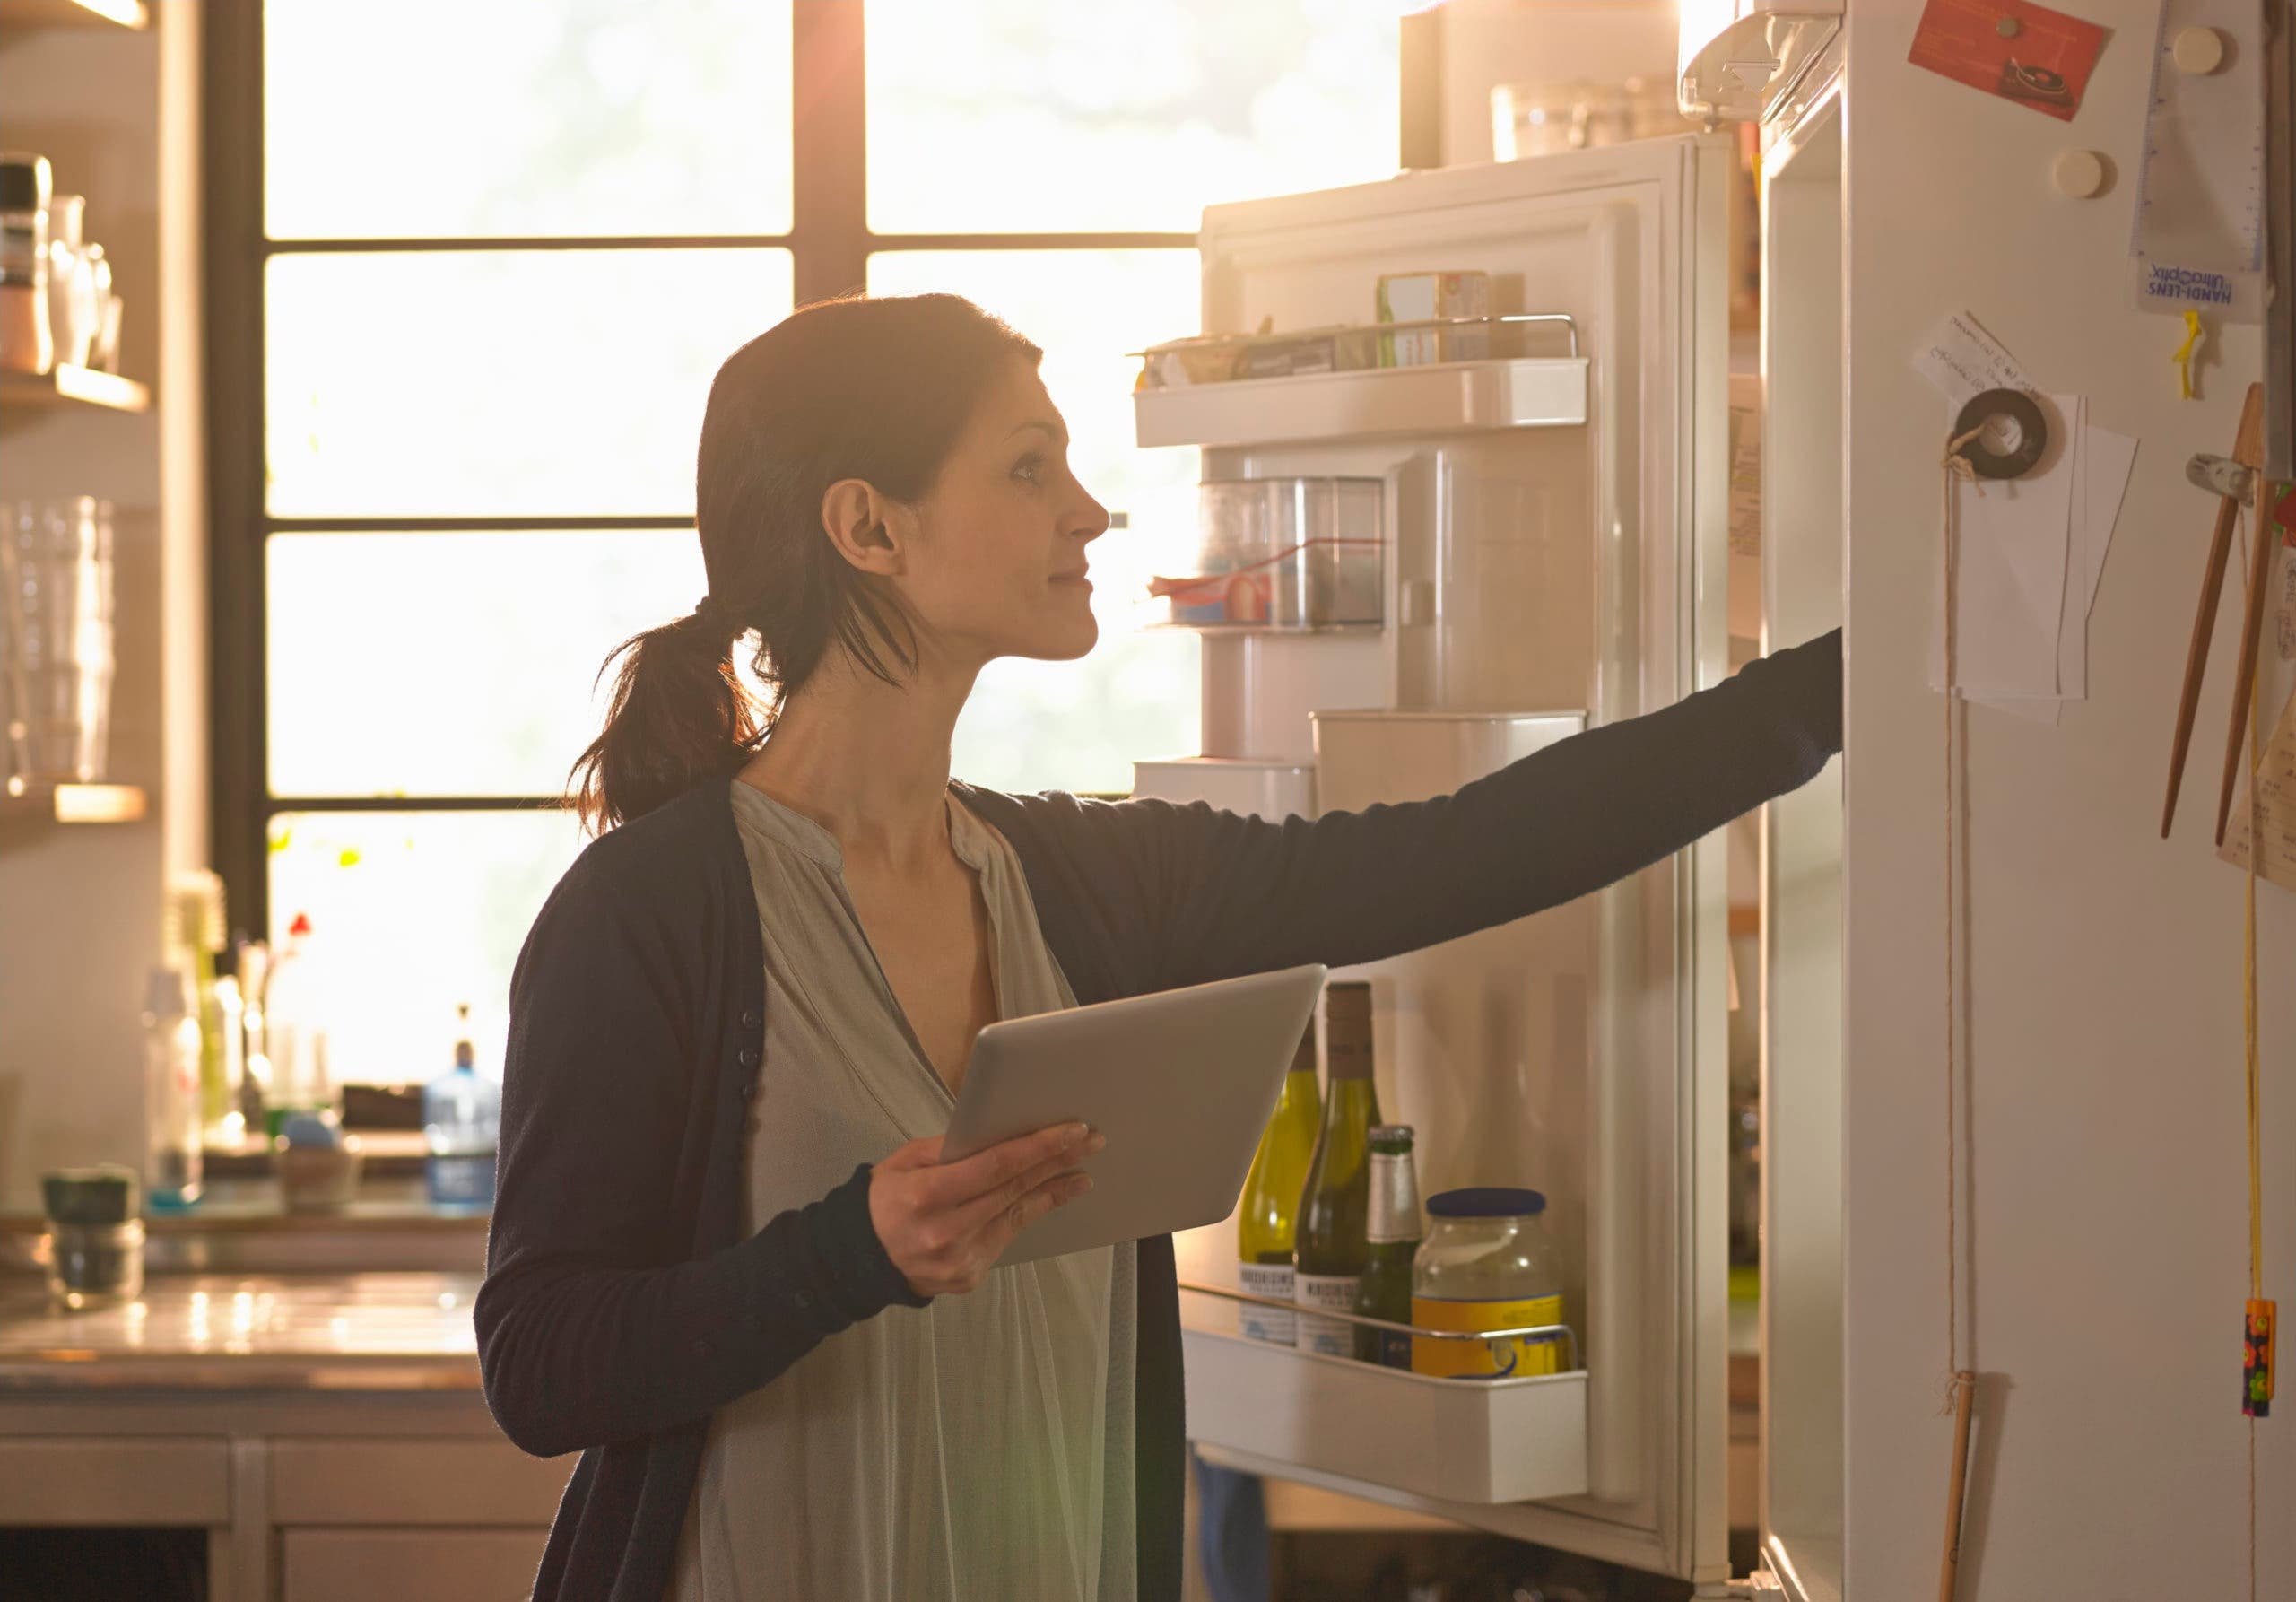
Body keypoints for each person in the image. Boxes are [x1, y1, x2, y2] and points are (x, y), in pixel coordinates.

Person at [474, 293, 1843, 1602]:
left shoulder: (1081, 878)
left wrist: (1844, 681)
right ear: (868, 527)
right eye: (1028, 468)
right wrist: (847, 1253)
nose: (1088, 508)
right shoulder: (649, 912)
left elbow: (1469, 847)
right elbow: (540, 1367)